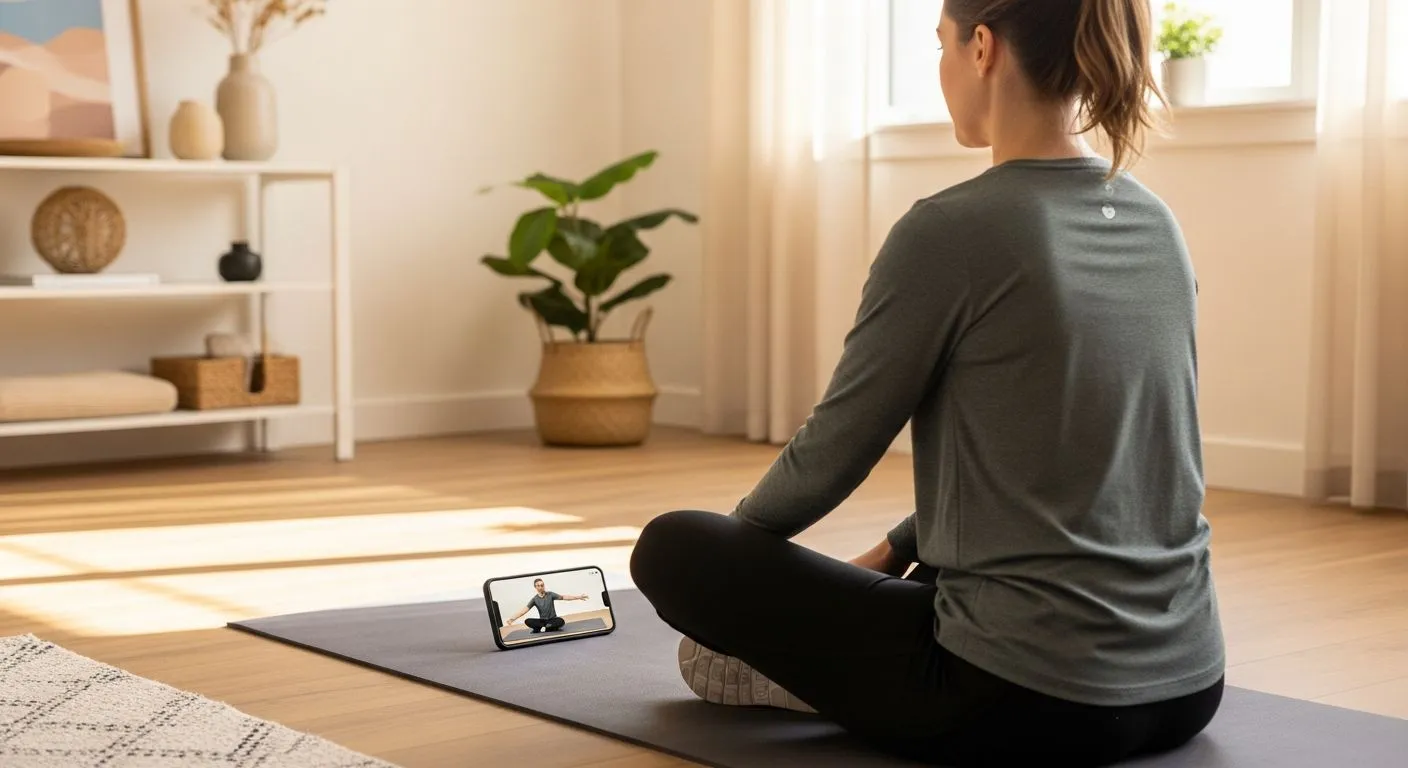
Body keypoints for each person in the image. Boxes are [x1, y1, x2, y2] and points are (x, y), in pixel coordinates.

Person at [629, 1, 1225, 765]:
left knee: (674, 548)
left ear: (982, 48)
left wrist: (741, 571)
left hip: (1021, 699)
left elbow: (833, 452)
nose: (942, 67)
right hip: (1187, 685)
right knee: (945, 567)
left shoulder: (951, 229)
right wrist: (892, 549)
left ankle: (824, 678)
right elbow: (1104, 457)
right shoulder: (1156, 223)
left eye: (941, 44)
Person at [504, 578, 590, 634]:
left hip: (553, 619)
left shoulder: (550, 594)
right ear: (535, 587)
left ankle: (543, 628)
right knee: (528, 621)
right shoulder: (534, 599)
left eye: (542, 585)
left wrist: (578, 597)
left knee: (560, 621)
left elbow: (564, 597)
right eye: (538, 586)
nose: (541, 587)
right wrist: (512, 619)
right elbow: (524, 611)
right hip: (543, 621)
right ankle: (547, 627)